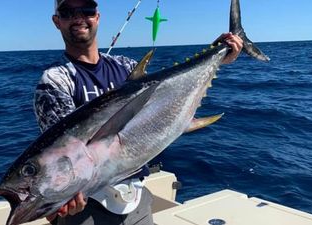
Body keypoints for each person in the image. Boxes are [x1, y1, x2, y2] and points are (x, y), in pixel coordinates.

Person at [33, 0, 244, 224]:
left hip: (138, 201)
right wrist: (55, 203)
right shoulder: (55, 81)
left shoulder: (126, 66)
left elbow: (166, 101)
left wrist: (217, 54)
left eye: (87, 10)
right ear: (57, 21)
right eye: (67, 12)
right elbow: (65, 157)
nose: (79, 18)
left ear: (97, 16)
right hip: (88, 209)